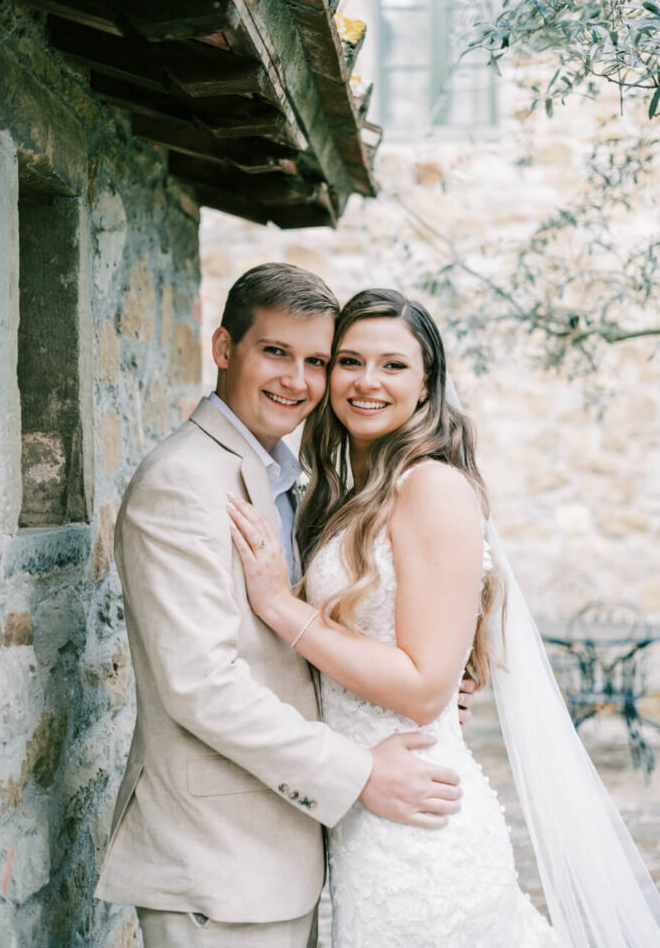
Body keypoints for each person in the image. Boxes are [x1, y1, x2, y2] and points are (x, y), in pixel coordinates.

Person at [229, 288, 660, 948]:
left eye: (393, 365)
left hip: (422, 833)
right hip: (369, 817)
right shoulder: (343, 493)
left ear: (427, 383)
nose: (367, 382)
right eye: (349, 361)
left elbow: (425, 686)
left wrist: (280, 606)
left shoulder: (431, 486)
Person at [95, 266, 475, 948]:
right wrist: (359, 771)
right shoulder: (183, 483)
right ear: (223, 349)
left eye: (316, 361)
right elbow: (200, 686)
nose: (297, 381)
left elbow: (293, 649)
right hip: (218, 861)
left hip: (279, 856)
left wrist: (416, 689)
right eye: (275, 352)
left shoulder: (286, 479)